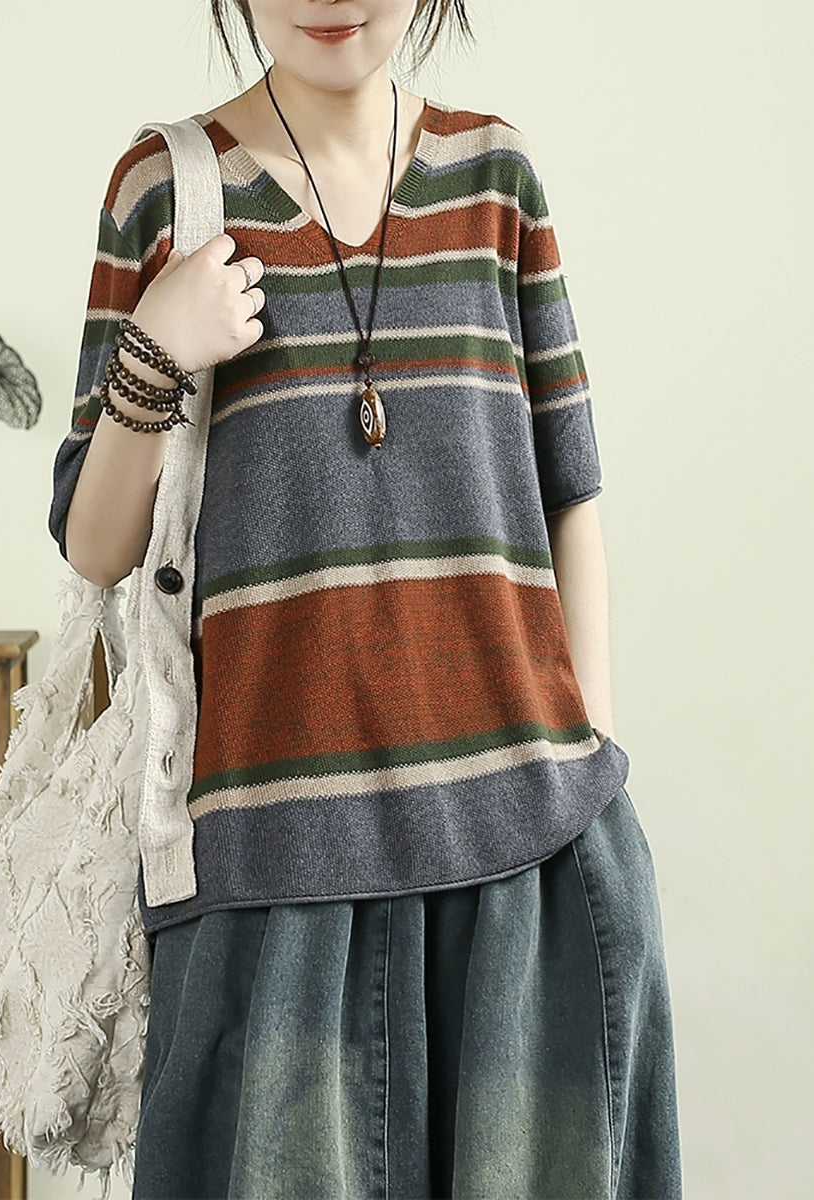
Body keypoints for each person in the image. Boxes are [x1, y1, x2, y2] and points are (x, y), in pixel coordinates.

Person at [48, 1, 683, 1196]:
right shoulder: (166, 189)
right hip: (271, 873)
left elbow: (570, 493)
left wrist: (589, 768)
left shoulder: (495, 176)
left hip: (525, 865)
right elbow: (97, 546)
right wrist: (156, 346)